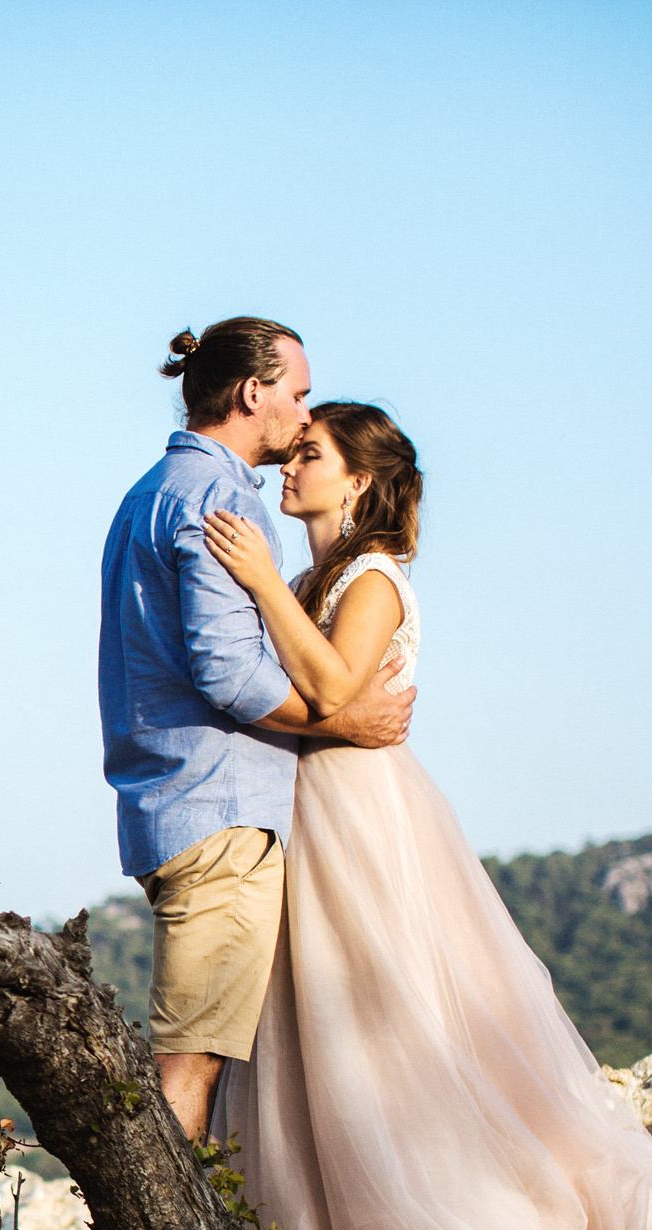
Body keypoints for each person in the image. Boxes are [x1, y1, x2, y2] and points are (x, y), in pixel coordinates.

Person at [202, 403, 652, 1230]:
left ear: (358, 480)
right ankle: (315, 1221)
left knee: (385, 1001)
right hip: (310, 809)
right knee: (310, 1012)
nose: (289, 467)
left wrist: (256, 581)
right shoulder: (311, 579)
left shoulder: (370, 577)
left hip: (360, 813)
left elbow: (332, 686)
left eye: (310, 455)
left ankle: (431, 1197)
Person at [96, 318, 414, 1144]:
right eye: (299, 395)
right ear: (252, 393)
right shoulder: (222, 498)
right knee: (191, 1062)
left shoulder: (149, 492)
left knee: (202, 1054)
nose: (305, 418)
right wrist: (347, 719)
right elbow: (230, 673)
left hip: (167, 799)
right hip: (222, 807)